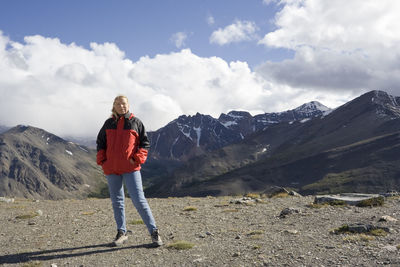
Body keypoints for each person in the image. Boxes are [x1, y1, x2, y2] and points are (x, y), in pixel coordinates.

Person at [96, 95, 162, 247]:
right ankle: (121, 232)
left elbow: (145, 144)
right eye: (118, 104)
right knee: (117, 202)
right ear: (114, 106)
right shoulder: (108, 123)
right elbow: (101, 142)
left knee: (139, 200)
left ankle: (154, 232)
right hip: (112, 169)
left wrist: (137, 159)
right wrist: (103, 161)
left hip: (130, 168)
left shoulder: (136, 122)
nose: (121, 106)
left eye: (124, 103)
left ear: (128, 105)